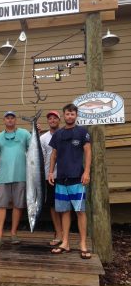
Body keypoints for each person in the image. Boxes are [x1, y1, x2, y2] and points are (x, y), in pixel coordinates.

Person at [48, 104, 92, 259]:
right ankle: (65, 242)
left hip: (77, 179)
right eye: (67, 114)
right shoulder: (58, 134)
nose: (70, 116)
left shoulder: (82, 132)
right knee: (64, 212)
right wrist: (51, 172)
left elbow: (87, 152)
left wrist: (86, 172)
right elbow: (53, 155)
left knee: (80, 211)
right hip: (61, 179)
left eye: (72, 114)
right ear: (64, 115)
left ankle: (83, 244)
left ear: (76, 115)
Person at [0, 111, 31, 248]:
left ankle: (13, 233)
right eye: (7, 118)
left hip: (21, 176)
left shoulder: (25, 134)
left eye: (12, 118)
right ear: (4, 120)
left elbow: (33, 150)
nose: (10, 120)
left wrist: (37, 131)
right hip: (3, 176)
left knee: (18, 205)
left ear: (15, 120)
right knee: (1, 205)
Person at [40, 110, 63, 246]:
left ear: (59, 120)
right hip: (50, 176)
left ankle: (63, 233)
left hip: (66, 175)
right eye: (50, 119)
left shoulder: (65, 134)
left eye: (55, 118)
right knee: (53, 206)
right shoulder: (43, 138)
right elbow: (41, 159)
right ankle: (58, 232)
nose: (52, 120)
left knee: (64, 205)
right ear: (48, 122)